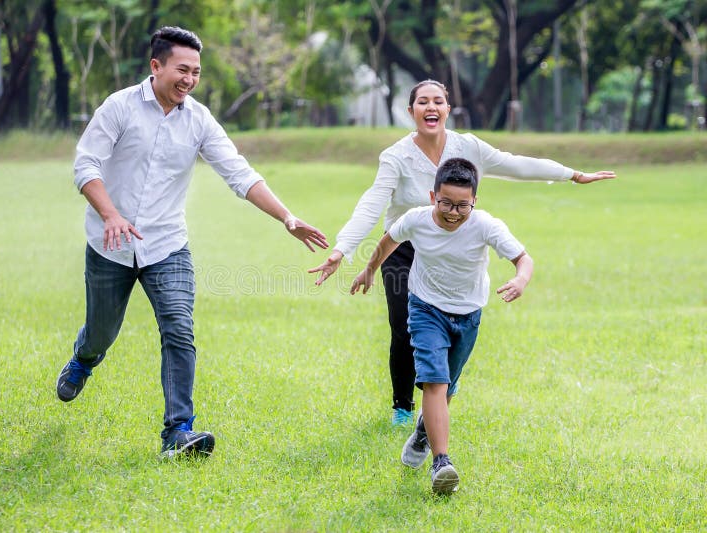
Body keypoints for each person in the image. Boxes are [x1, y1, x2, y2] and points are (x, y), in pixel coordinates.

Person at [56, 26, 328, 458]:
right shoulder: (119, 108)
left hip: (166, 245)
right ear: (156, 66)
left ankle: (178, 431)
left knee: (179, 329)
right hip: (110, 243)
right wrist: (110, 213)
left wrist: (286, 217)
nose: (189, 79)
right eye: (182, 69)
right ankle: (84, 358)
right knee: (102, 332)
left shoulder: (199, 119)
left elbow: (239, 172)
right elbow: (85, 164)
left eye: (196, 72)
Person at [310, 79, 615, 426]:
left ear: (447, 109)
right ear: (411, 112)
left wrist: (572, 175)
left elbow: (514, 164)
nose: (431, 108)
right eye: (422, 102)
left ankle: (436, 399)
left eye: (437, 101)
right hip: (403, 248)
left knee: (445, 329)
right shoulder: (395, 156)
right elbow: (372, 203)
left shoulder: (467, 146)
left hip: (452, 249)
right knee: (404, 326)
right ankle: (402, 406)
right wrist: (342, 249)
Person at [350, 157, 531, 495]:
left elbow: (524, 259)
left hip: (468, 315)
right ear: (433, 196)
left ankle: (423, 431)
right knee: (434, 382)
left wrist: (521, 280)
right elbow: (388, 240)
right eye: (446, 202)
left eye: (463, 205)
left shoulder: (486, 225)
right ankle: (441, 462)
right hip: (425, 308)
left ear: (474, 200)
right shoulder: (417, 220)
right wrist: (370, 270)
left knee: (445, 390)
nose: (453, 212)